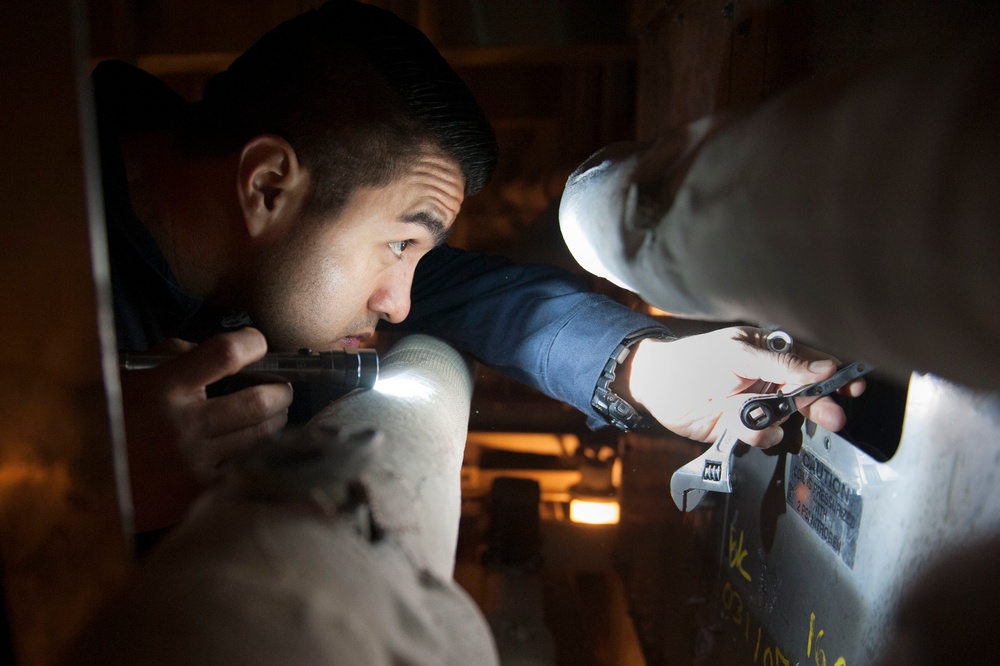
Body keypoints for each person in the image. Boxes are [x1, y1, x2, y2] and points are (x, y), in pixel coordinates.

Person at [93, 0, 858, 538]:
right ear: (266, 185)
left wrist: (647, 370)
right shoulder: (35, 275)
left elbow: (476, 296)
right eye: (401, 245)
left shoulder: (244, 249)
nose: (400, 306)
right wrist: (79, 482)